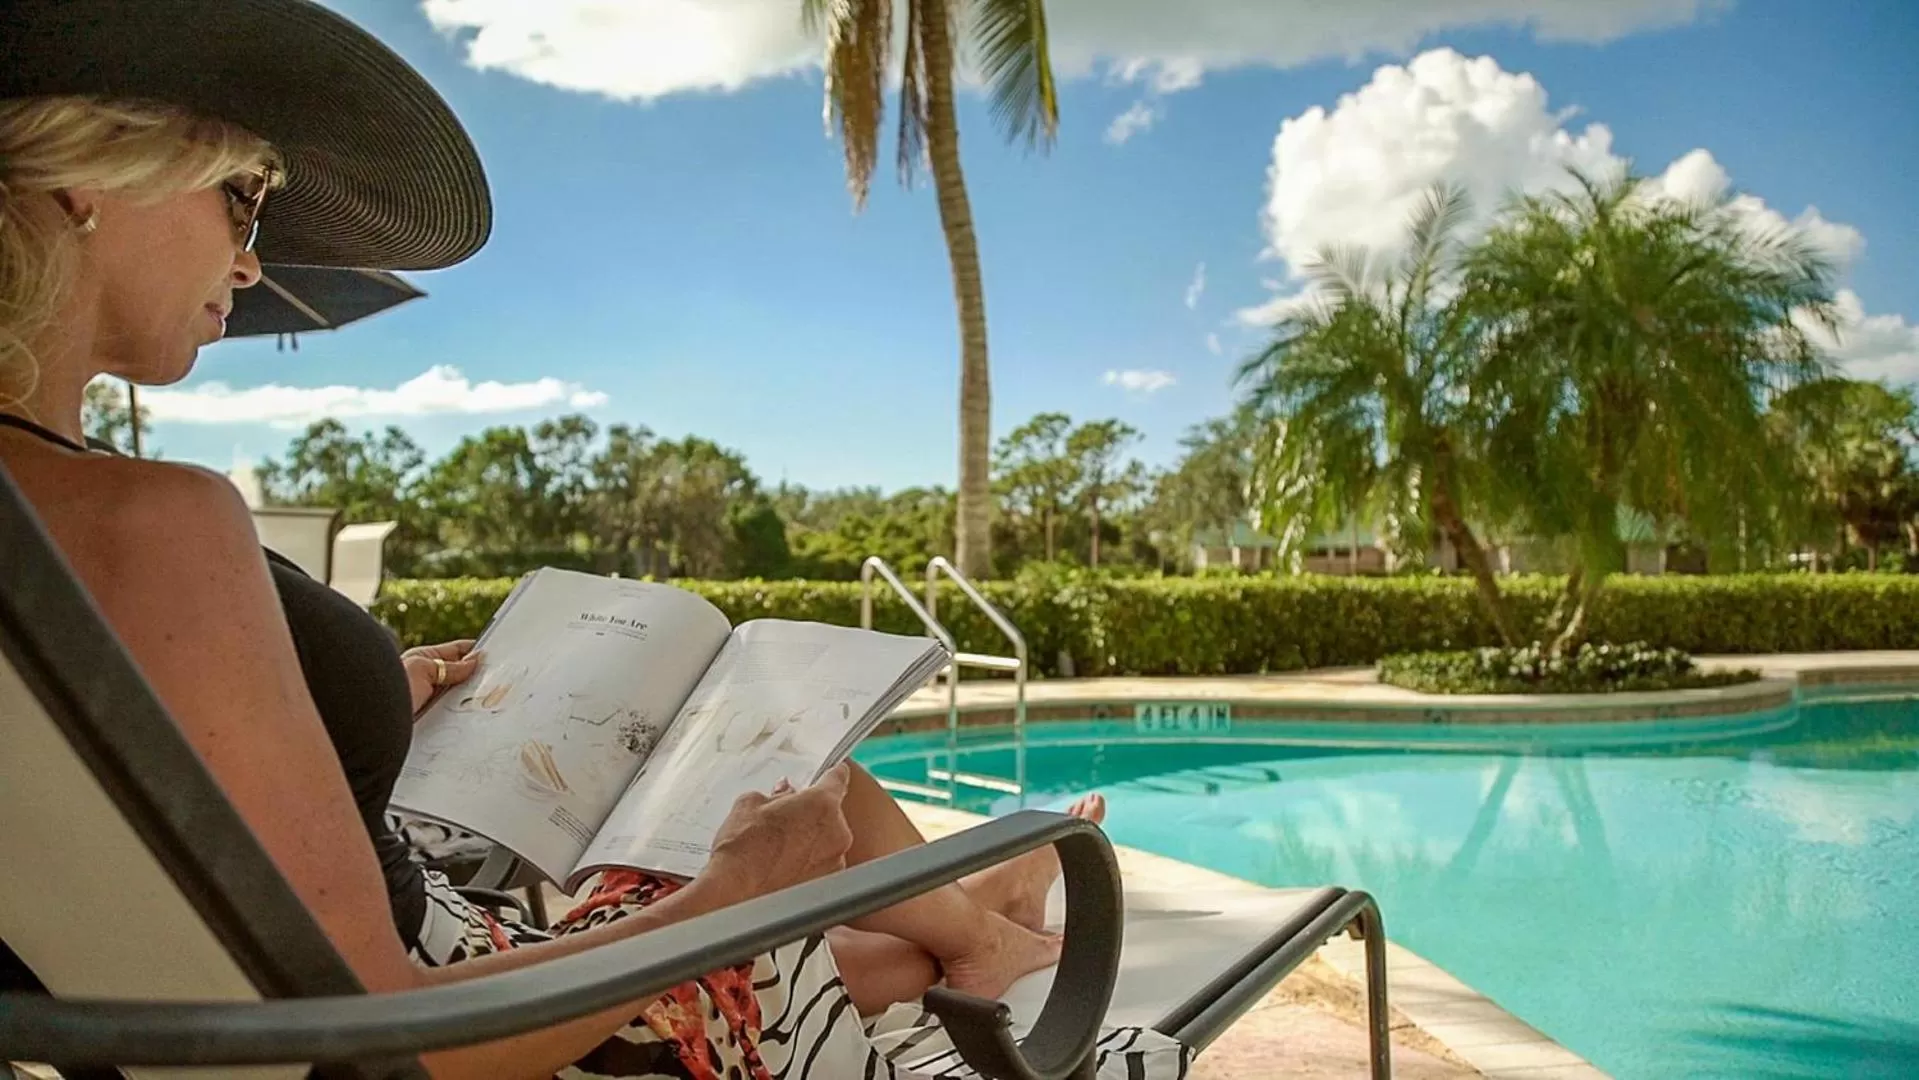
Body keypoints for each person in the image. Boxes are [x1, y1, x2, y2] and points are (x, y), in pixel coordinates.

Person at [0, 2, 1178, 1078]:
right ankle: (976, 925)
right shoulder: (151, 520)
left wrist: (347, 709)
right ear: (89, 175)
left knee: (765, 842)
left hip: (278, 999)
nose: (252, 259)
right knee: (767, 788)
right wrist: (735, 891)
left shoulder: (47, 527)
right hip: (484, 1018)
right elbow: (387, 1036)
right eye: (245, 196)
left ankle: (962, 927)